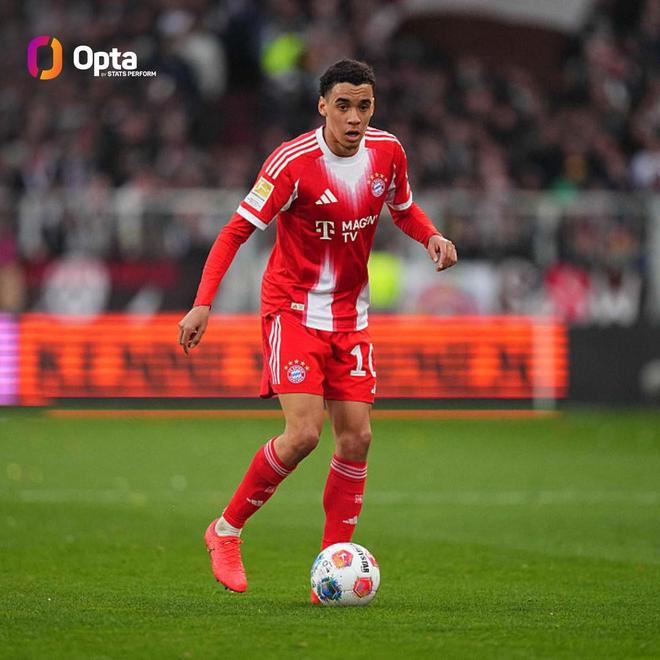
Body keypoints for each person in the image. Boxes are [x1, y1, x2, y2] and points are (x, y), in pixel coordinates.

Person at [177, 59, 457, 599]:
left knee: (357, 439)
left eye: (364, 106)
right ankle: (225, 531)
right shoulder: (292, 162)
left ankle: (331, 567)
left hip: (351, 317)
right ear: (323, 106)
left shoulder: (388, 152)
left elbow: (403, 209)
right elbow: (235, 231)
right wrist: (202, 304)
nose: (354, 118)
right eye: (344, 106)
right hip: (294, 310)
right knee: (304, 434)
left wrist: (431, 236)